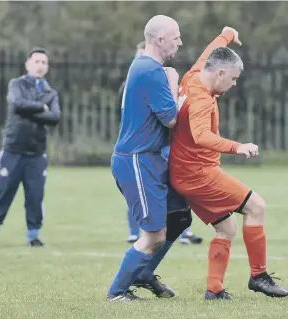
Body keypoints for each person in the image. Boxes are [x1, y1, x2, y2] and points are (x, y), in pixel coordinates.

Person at [170, 26, 288, 300]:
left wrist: (226, 34)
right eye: (233, 78)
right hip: (199, 174)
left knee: (227, 228)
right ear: (220, 73)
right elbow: (201, 136)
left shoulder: (196, 74)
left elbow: (209, 52)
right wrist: (239, 147)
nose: (234, 84)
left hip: (184, 173)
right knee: (257, 207)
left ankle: (214, 290)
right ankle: (259, 276)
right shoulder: (201, 99)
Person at [107, 15, 192, 302]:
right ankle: (117, 292)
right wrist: (174, 79)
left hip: (153, 159)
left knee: (179, 217)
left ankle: (144, 274)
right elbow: (170, 119)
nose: (179, 42)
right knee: (154, 235)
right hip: (137, 161)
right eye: (176, 37)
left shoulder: (144, 66)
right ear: (159, 40)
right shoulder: (153, 70)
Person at [119, 41, 203, 246]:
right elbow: (169, 118)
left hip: (161, 147)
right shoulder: (136, 81)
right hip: (141, 152)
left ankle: (183, 232)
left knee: (178, 192)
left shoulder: (156, 77)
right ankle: (136, 234)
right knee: (141, 196)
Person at [0, 47, 61, 247]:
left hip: (37, 153)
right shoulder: (16, 84)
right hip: (13, 149)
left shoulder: (50, 92)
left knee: (35, 196)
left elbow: (54, 117)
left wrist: (31, 109)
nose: (40, 65)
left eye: (44, 62)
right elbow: (17, 103)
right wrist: (40, 107)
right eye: (37, 61)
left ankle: (33, 236)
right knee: (3, 192)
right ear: (28, 64)